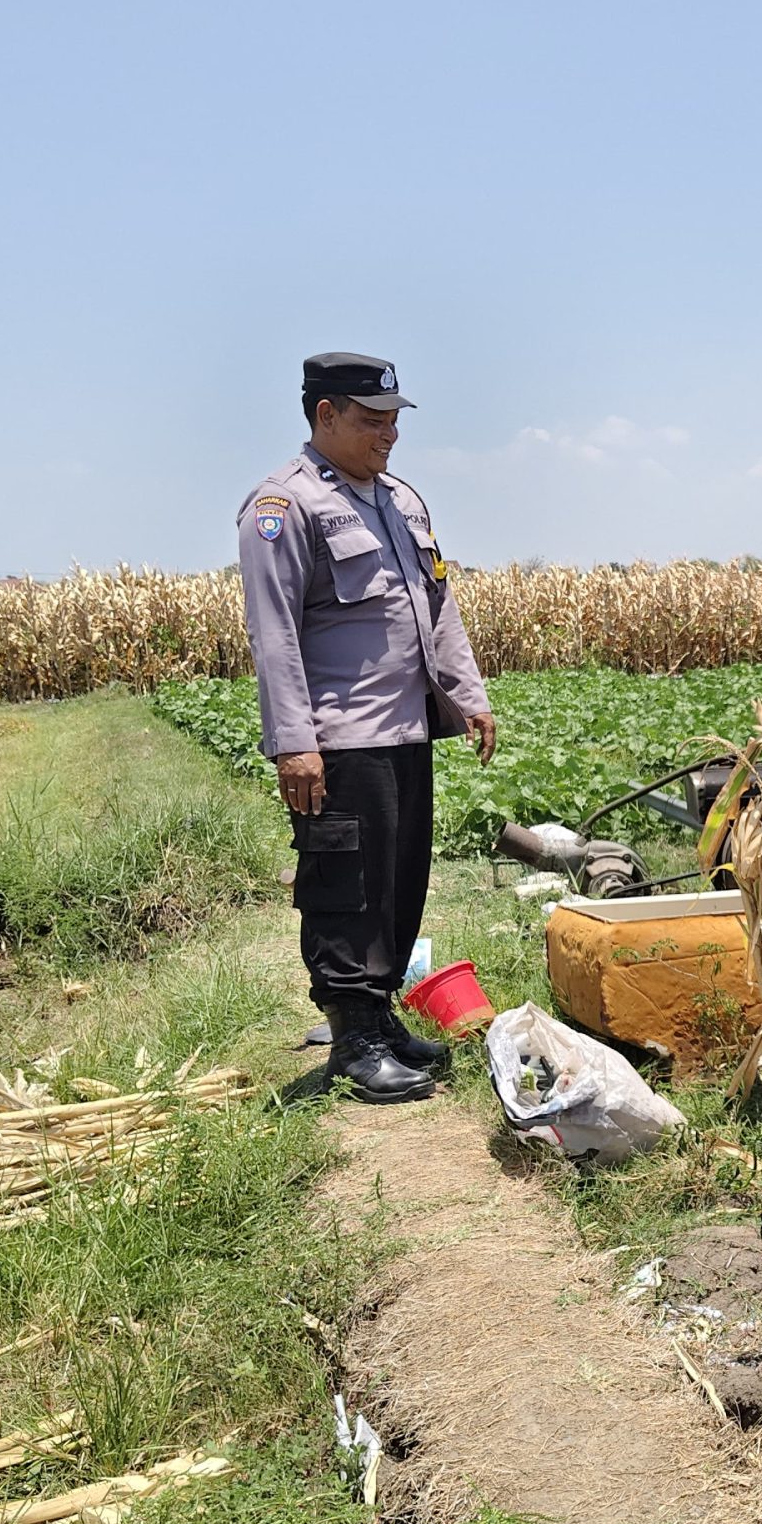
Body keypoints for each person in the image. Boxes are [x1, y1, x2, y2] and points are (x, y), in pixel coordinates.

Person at [238, 352, 497, 1102]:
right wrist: (294, 741)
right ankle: (351, 1035)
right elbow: (274, 633)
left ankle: (379, 1019)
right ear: (325, 416)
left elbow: (436, 608)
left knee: (398, 878)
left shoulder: (402, 502)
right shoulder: (282, 508)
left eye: (393, 420)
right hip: (339, 737)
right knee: (345, 887)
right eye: (372, 419)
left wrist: (468, 695)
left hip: (405, 731)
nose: (389, 434)